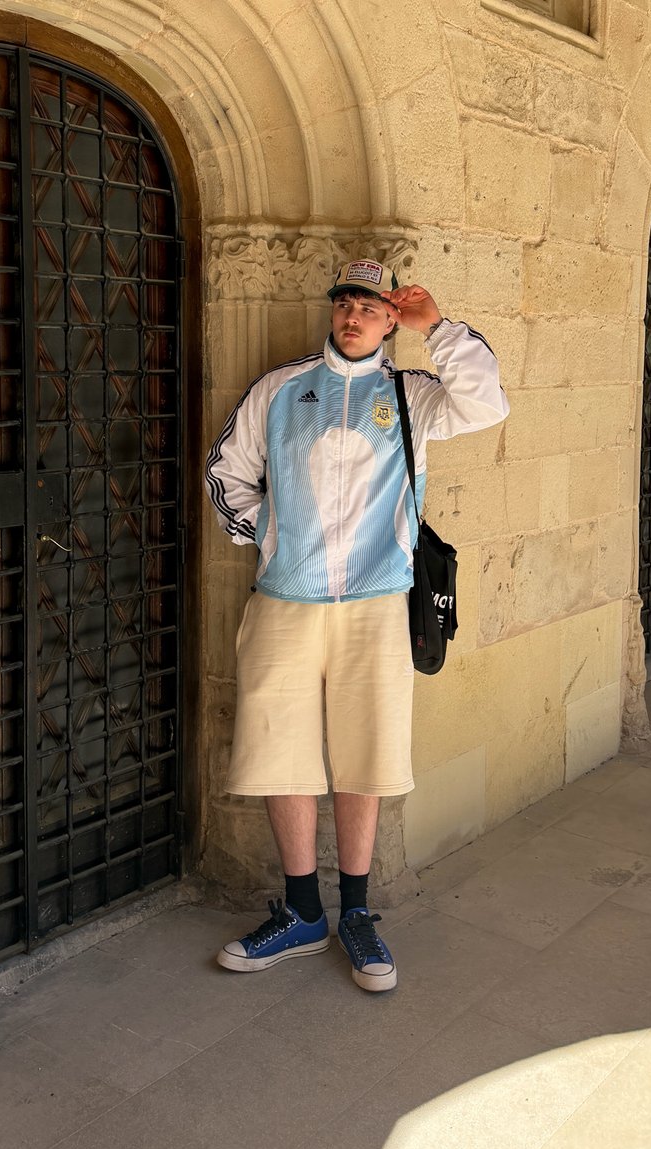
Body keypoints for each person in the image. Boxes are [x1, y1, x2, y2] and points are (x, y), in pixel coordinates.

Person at [205, 258, 509, 992]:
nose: (352, 316)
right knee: (284, 750)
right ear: (332, 310)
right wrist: (271, 535)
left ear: (389, 318)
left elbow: (487, 402)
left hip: (376, 601)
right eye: (344, 302)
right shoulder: (280, 390)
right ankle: (304, 911)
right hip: (286, 600)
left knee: (365, 752)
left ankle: (358, 913)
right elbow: (227, 472)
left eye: (370, 307)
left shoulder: (411, 395)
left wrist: (434, 325)